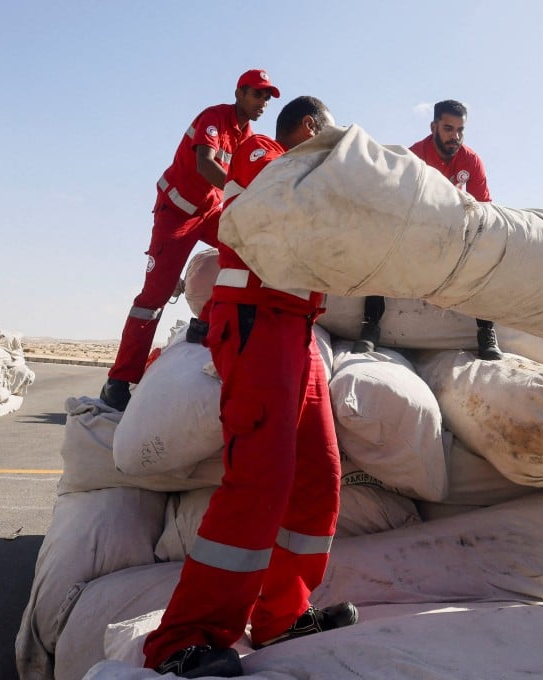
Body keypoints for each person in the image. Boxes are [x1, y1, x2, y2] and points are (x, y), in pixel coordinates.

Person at [142, 96, 358, 678]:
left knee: (317, 476)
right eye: (330, 130)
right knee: (260, 476)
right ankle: (183, 640)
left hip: (297, 330)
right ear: (311, 128)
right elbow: (278, 203)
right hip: (256, 323)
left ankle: (281, 616)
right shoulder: (266, 154)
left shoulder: (304, 173)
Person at [100, 69, 280, 411]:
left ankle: (205, 322)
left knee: (245, 249)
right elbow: (204, 164)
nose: (263, 103)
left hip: (210, 211)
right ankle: (118, 381)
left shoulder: (248, 135)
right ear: (240, 93)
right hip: (177, 215)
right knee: (152, 298)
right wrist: (243, 192)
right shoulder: (213, 118)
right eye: (258, 95)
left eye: (267, 98)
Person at [353, 99, 502, 360]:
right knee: (380, 241)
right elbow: (396, 204)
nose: (454, 136)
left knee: (488, 247)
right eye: (448, 128)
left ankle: (486, 331)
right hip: (416, 229)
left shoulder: (471, 160)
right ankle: (370, 326)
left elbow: (484, 209)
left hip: (455, 233)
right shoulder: (413, 156)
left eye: (460, 130)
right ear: (433, 126)